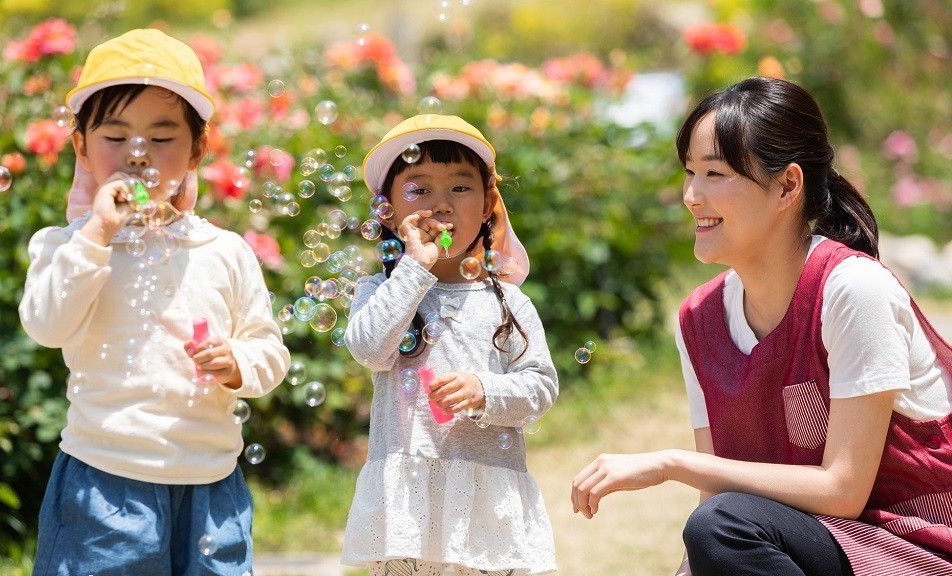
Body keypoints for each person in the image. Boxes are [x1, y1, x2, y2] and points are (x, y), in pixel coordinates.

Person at [571, 76, 952, 576]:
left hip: (916, 551)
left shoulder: (853, 291)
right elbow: (719, 505)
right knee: (719, 525)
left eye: (715, 174)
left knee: (723, 523)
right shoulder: (699, 320)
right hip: (812, 547)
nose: (691, 195)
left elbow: (842, 490)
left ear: (788, 185)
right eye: (689, 172)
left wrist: (670, 464)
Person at [18, 29, 290, 575]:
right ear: (80, 147)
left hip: (212, 486)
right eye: (115, 138)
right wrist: (94, 232)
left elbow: (270, 349)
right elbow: (47, 325)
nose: (137, 156)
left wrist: (239, 364)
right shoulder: (66, 245)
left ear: (197, 149)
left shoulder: (225, 251)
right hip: (105, 481)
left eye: (161, 138)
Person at [341, 114, 559, 575]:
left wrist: (487, 390)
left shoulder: (508, 302)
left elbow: (540, 386)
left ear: (487, 206)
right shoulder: (381, 291)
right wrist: (415, 269)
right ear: (389, 210)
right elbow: (367, 348)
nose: (441, 205)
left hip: (487, 502)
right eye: (419, 190)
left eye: (460, 188)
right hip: (408, 504)